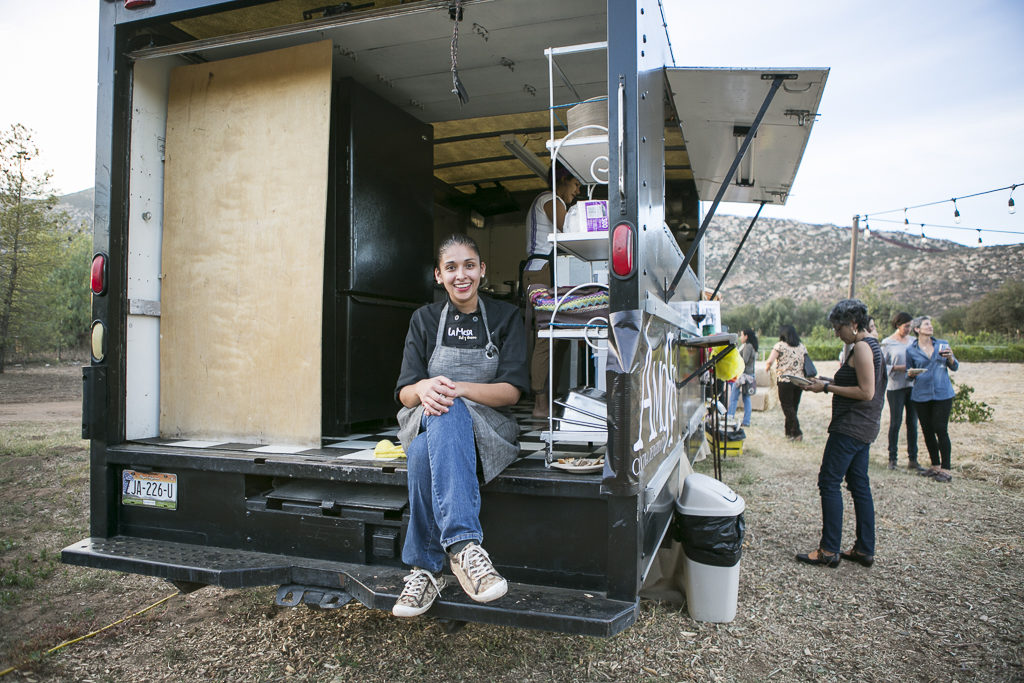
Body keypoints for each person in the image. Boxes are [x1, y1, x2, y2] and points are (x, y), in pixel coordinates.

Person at [392, 234, 529, 617]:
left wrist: (457, 388)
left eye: (469, 265)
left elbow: (512, 393)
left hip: (489, 425)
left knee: (423, 449)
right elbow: (404, 393)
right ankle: (465, 548)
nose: (461, 275)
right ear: (439, 275)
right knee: (439, 414)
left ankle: (428, 567)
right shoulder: (423, 319)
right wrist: (423, 387)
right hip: (429, 417)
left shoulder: (505, 317)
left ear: (482, 270)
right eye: (451, 267)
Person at [796, 299, 886, 568]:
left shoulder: (860, 347)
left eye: (839, 327)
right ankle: (863, 549)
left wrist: (826, 389)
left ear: (854, 324)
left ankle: (829, 549)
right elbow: (855, 382)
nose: (836, 333)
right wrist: (825, 382)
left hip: (850, 427)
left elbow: (865, 392)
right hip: (864, 427)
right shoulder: (871, 345)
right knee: (859, 486)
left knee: (829, 482)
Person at [522, 162, 581, 417]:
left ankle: (550, 396)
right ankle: (540, 403)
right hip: (542, 271)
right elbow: (570, 228)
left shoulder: (553, 200)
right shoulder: (550, 199)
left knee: (558, 336)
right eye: (576, 184)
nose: (577, 191)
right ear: (564, 179)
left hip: (549, 270)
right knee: (546, 336)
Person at [906, 316, 958, 483]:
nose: (930, 326)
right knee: (927, 430)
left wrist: (950, 357)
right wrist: (911, 373)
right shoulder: (911, 350)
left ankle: (946, 468)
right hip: (921, 395)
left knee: (940, 428)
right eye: (926, 324)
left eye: (930, 324)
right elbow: (909, 374)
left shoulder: (942, 344)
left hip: (943, 393)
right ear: (917, 329)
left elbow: (954, 366)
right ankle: (935, 466)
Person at [880, 311, 920, 471]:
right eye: (906, 326)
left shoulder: (913, 341)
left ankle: (913, 459)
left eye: (911, 326)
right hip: (895, 387)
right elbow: (882, 366)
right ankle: (892, 459)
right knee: (895, 422)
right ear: (898, 325)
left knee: (912, 423)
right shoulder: (887, 343)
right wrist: (899, 368)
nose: (909, 329)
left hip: (912, 386)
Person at [764, 325, 809, 440]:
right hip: (799, 381)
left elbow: (770, 361)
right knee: (793, 407)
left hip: (785, 380)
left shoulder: (780, 346)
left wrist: (767, 368)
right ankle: (789, 433)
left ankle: (797, 432)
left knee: (787, 407)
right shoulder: (802, 347)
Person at [727, 329, 758, 428]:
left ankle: (730, 417)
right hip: (749, 375)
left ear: (746, 336)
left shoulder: (748, 347)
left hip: (743, 376)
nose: (740, 337)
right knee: (746, 398)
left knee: (734, 397)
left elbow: (743, 360)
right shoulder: (751, 346)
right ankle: (746, 421)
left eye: (742, 335)